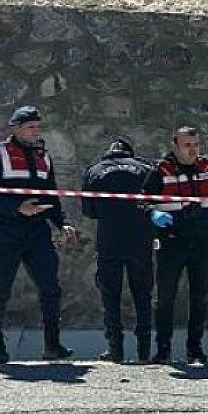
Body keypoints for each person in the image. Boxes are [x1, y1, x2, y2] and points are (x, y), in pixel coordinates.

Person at [0, 105, 79, 365]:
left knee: (50, 287)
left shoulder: (44, 156)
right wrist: (17, 207)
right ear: (16, 128)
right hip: (3, 231)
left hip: (37, 232)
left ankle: (52, 345)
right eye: (30, 127)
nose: (36, 132)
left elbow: (51, 195)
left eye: (38, 127)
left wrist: (62, 224)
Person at [144, 126, 208, 365]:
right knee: (165, 297)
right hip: (171, 242)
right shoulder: (160, 170)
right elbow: (142, 203)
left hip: (202, 240)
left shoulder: (207, 167)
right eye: (187, 145)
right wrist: (153, 216)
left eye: (196, 145)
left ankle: (195, 348)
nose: (193, 150)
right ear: (175, 145)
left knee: (200, 297)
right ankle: (163, 349)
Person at [80, 137, 155, 364]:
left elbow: (88, 211)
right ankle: (144, 350)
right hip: (140, 240)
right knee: (142, 294)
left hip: (109, 241)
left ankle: (115, 349)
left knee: (110, 295)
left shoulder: (94, 171)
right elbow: (154, 203)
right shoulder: (145, 169)